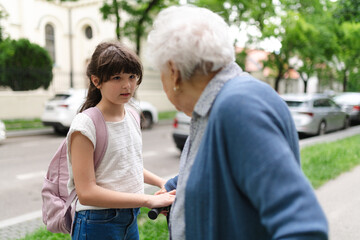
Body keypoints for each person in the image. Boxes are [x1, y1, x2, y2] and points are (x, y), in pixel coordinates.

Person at [147, 5, 328, 240]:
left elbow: (304, 226)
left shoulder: (239, 106)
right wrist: (180, 185)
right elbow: (230, 170)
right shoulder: (218, 103)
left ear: (174, 72)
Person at [67, 41, 175, 240]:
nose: (127, 85)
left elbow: (125, 165)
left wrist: (162, 181)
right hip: (97, 223)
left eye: (132, 77)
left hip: (129, 218)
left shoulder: (132, 115)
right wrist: (147, 200)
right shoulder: (86, 124)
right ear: (96, 81)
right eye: (117, 78)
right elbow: (86, 193)